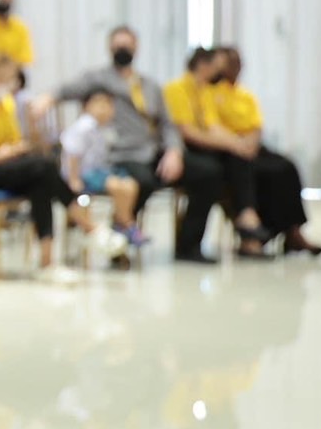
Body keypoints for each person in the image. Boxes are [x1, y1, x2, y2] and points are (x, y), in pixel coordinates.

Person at [36, 26, 223, 264]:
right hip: (122, 154)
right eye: (118, 45)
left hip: (153, 151)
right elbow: (66, 90)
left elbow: (167, 124)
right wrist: (46, 98)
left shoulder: (149, 85)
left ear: (136, 47)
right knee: (141, 181)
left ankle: (188, 245)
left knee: (209, 172)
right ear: (110, 48)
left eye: (127, 45)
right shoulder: (98, 79)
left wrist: (174, 152)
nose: (122, 49)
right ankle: (121, 236)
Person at [0, 56, 127, 283]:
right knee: (45, 167)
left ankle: (48, 262)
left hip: (8, 167)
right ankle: (89, 228)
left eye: (10, 79)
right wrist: (0, 152)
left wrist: (24, 138)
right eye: (1, 78)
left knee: (42, 182)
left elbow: (18, 141)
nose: (6, 84)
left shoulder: (7, 103)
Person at [212, 46, 321, 255]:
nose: (235, 67)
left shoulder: (245, 95)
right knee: (248, 171)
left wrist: (250, 143)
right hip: (228, 148)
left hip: (250, 146)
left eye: (238, 62)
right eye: (230, 62)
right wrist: (237, 144)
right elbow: (212, 126)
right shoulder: (212, 92)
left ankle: (293, 232)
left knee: (285, 167)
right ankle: (252, 234)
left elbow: (256, 126)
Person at [162, 48, 272, 259]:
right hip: (183, 149)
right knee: (210, 173)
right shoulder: (176, 89)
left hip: (206, 147)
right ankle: (189, 244)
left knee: (240, 162)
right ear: (204, 66)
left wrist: (237, 145)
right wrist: (234, 145)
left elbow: (213, 126)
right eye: (216, 68)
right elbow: (187, 131)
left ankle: (248, 222)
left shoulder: (204, 91)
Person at [60, 87, 147, 246]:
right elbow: (72, 154)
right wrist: (73, 179)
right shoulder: (83, 127)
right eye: (99, 103)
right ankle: (128, 225)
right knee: (116, 186)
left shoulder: (106, 128)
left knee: (131, 185)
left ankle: (121, 223)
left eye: (108, 104)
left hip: (100, 171)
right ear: (86, 106)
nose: (104, 108)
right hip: (84, 173)